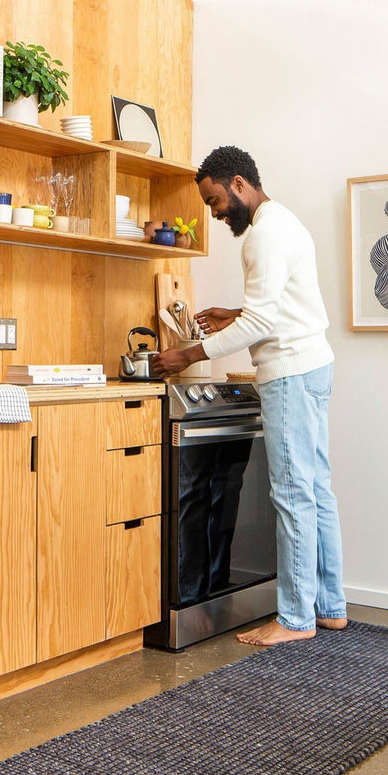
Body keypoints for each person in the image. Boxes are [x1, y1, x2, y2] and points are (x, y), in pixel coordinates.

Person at [152, 145, 347, 647]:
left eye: (215, 200)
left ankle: (295, 619)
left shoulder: (261, 237)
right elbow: (278, 308)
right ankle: (329, 608)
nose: (215, 213)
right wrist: (233, 314)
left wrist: (189, 353)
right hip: (314, 365)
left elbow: (265, 322)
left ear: (238, 183)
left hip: (288, 375)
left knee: (292, 494)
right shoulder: (285, 223)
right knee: (315, 490)